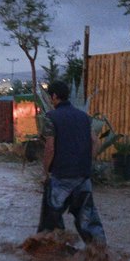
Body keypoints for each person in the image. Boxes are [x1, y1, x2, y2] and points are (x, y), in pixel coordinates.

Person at [38, 81, 106, 246]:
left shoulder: (51, 117)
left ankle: (50, 257)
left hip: (61, 176)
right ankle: (100, 252)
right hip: (83, 176)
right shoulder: (84, 117)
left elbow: (50, 148)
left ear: (54, 96)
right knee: (88, 219)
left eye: (50, 97)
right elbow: (95, 142)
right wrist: (86, 162)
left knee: (51, 220)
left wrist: (45, 172)